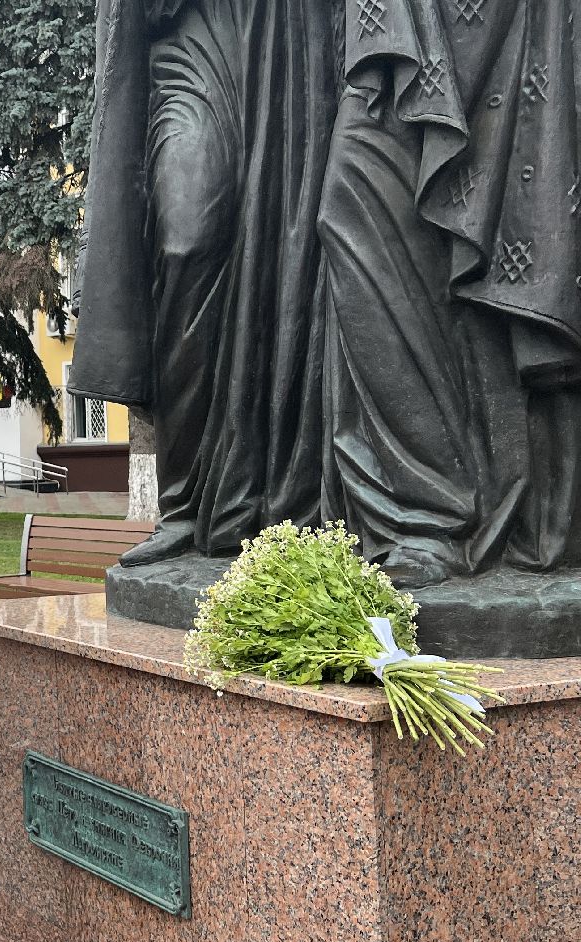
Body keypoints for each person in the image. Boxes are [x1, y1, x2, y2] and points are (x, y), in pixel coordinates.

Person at [316, 0, 581, 583]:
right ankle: (423, 507)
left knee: (480, 261)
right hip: (391, 27)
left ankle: (455, 510)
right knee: (347, 203)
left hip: (499, 30)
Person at [69, 0, 336, 565]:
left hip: (288, 38)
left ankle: (280, 498)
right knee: (185, 243)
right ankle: (184, 501)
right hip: (191, 40)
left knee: (288, 258)